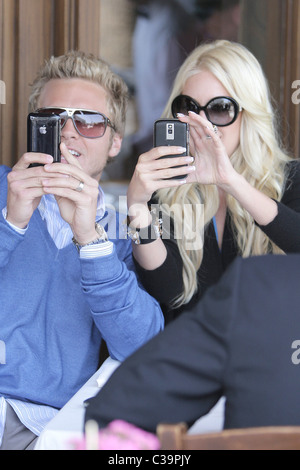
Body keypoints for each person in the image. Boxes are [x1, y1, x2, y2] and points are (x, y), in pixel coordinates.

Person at [0, 50, 164, 450]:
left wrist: (90, 238)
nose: (68, 132)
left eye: (89, 122)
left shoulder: (124, 230)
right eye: (52, 118)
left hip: (50, 427)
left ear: (114, 143)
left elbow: (142, 344)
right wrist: (12, 222)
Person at [126, 39, 300, 323]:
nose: (203, 123)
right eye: (189, 108)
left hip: (270, 356)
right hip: (193, 356)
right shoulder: (168, 187)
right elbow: (167, 290)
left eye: (220, 108)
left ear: (248, 115)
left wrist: (231, 182)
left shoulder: (291, 178)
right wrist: (136, 208)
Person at [85, 252, 300, 432]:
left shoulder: (260, 282)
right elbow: (165, 286)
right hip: (200, 327)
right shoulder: (165, 209)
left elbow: (113, 419)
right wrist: (140, 218)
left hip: (230, 320)